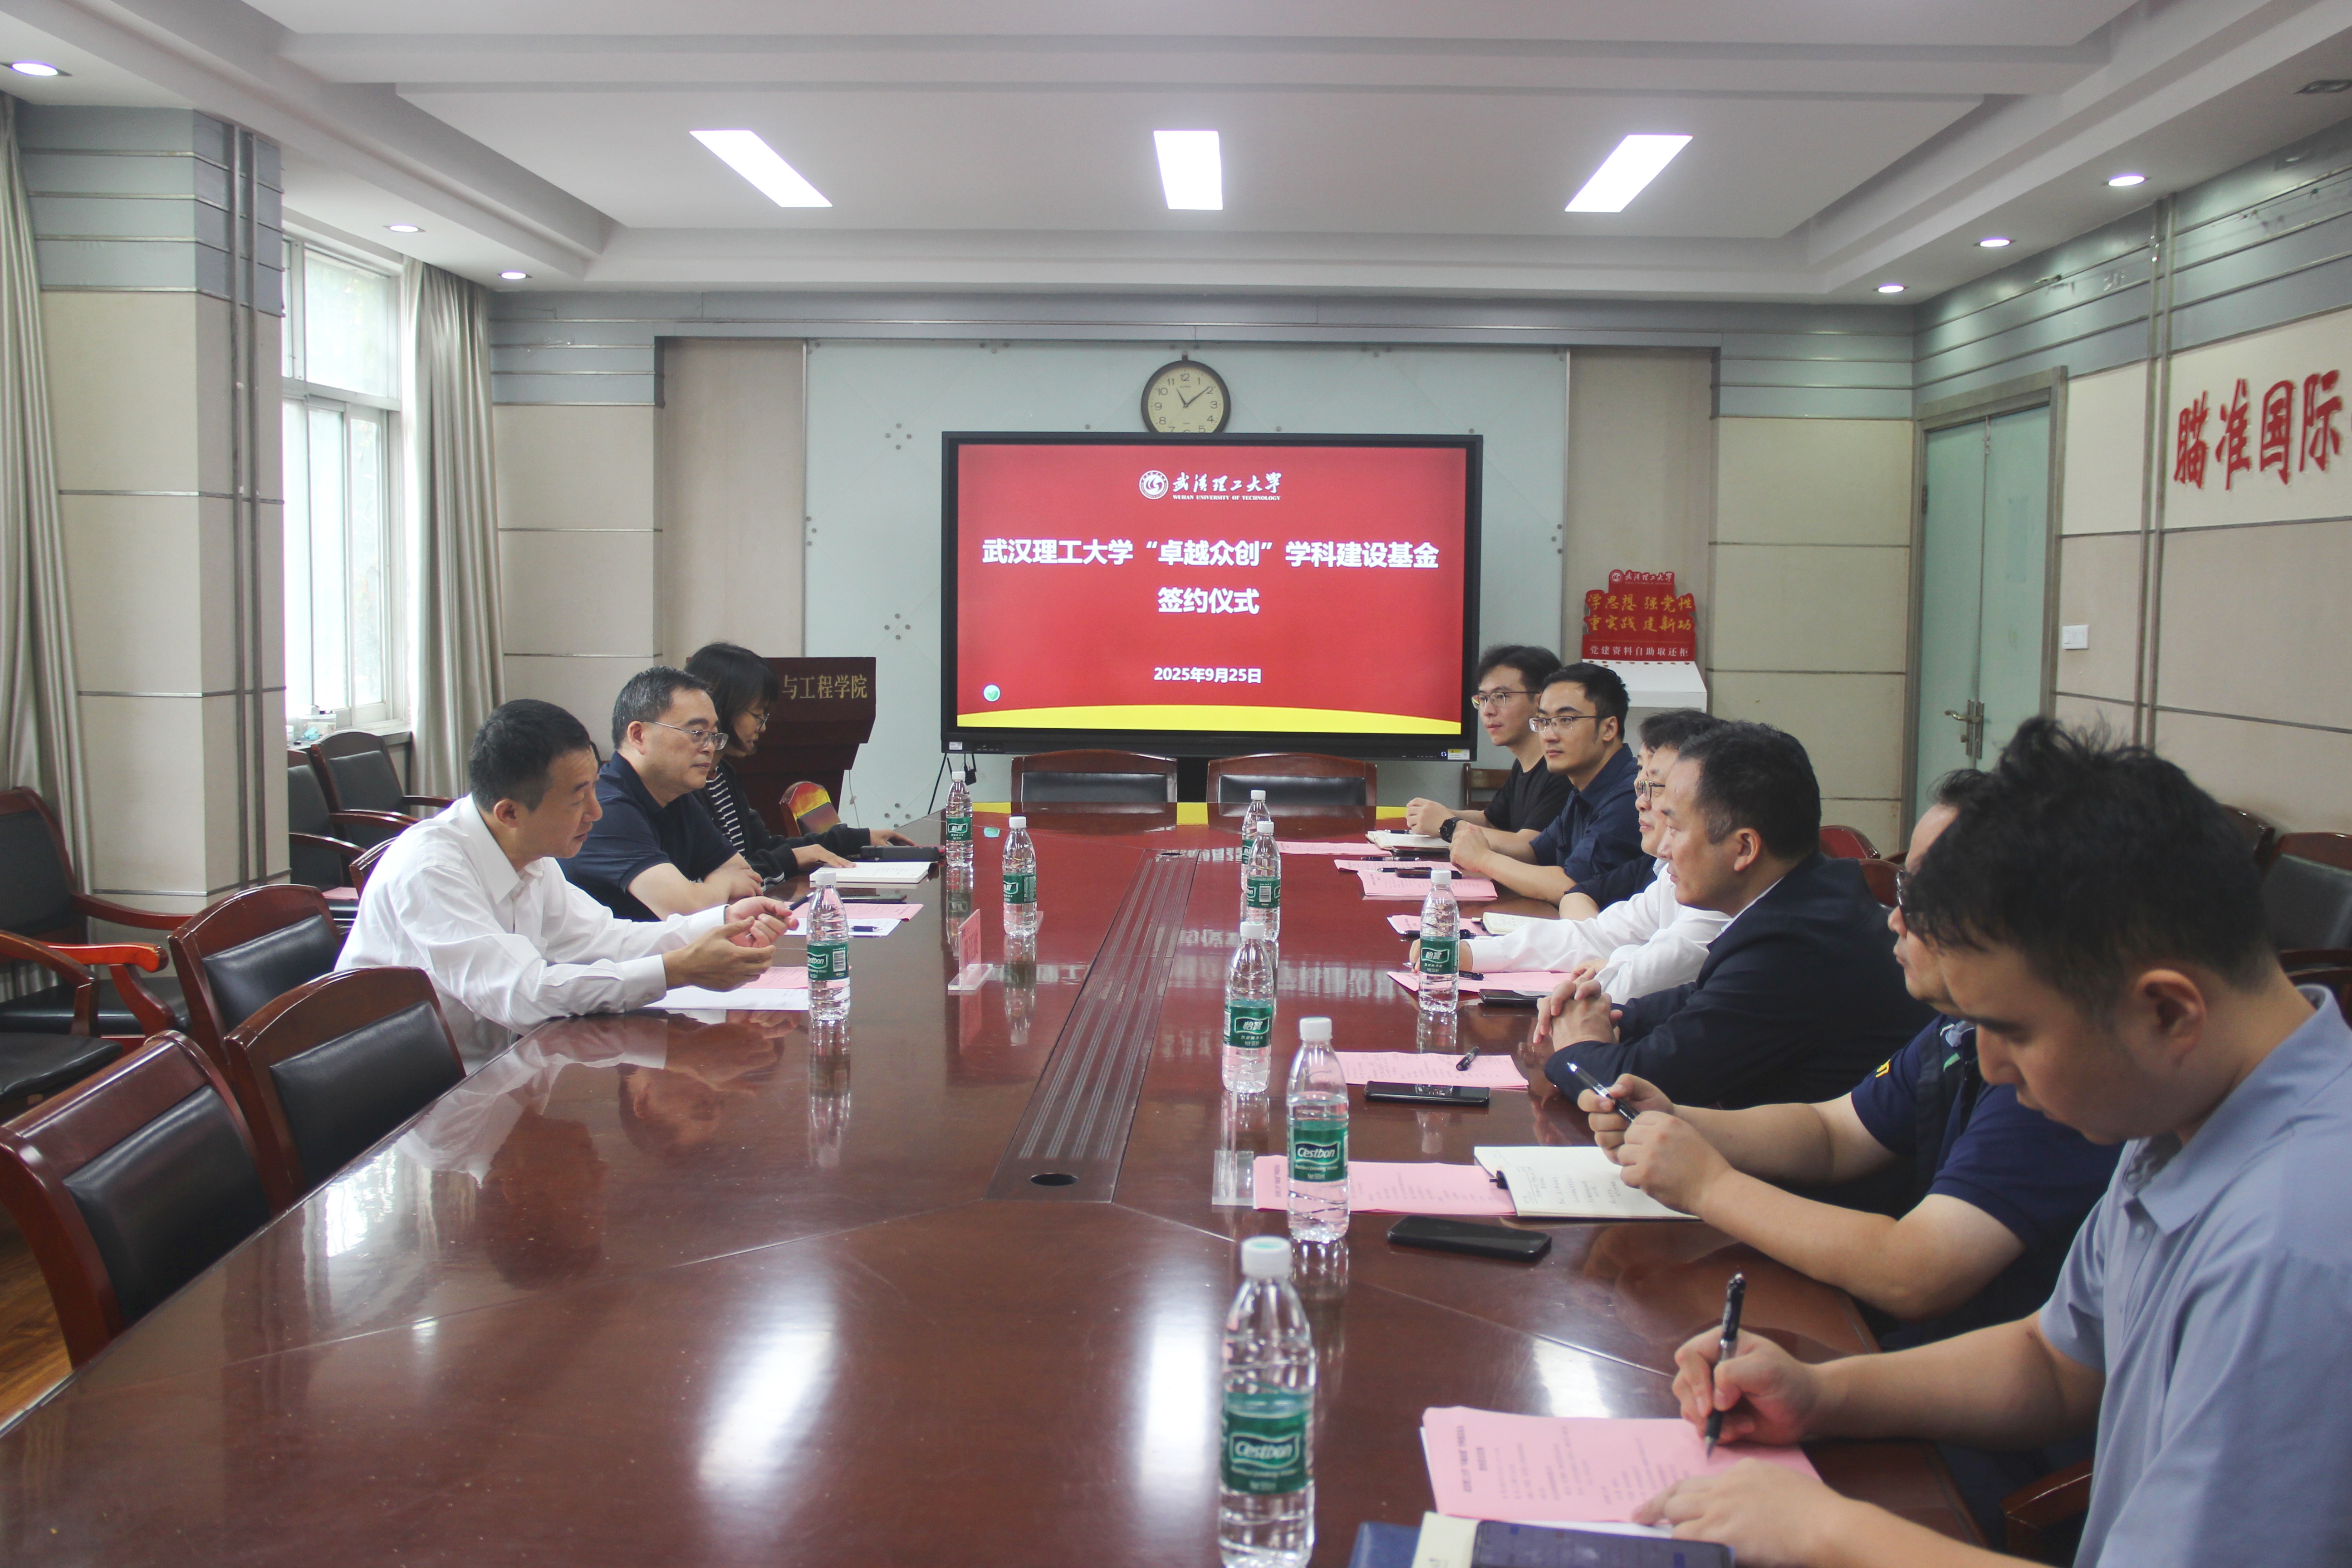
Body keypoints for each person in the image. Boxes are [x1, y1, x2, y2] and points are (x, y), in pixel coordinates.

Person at [1635, 720, 2352, 1568]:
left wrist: (1827, 1531)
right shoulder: (2182, 1111)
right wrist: (1823, 1393)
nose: (1989, 1067)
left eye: (2010, 1031)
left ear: (2166, 1011)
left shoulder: (2292, 1247)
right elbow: (2055, 1360)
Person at [338, 698, 790, 1069]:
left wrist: (718, 923)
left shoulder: (529, 853)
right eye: (578, 799)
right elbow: (523, 993)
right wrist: (677, 970)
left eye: (594, 787)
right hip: (415, 1106)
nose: (597, 812)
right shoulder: (431, 870)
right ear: (510, 813)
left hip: (503, 1071)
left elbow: (601, 939)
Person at [1535, 721, 1931, 1108]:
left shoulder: (1795, 946)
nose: (1665, 849)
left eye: (1676, 828)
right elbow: (1699, 1000)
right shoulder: (1810, 896)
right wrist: (1599, 1010)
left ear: (1744, 848)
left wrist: (1575, 1048)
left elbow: (1641, 1082)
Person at [1463, 709, 1728, 1001]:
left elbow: (1643, 979)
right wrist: (1470, 952)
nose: (1641, 802)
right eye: (1641, 781)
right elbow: (1597, 935)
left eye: (1656, 786)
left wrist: (1620, 961)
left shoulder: (1717, 888)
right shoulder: (1668, 871)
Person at [684, 642, 916, 876]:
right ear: (723, 706)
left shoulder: (723, 774)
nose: (762, 728)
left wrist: (858, 839)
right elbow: (723, 874)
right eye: (758, 714)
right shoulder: (685, 788)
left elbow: (764, 848)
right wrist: (794, 858)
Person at [565, 666, 766, 920]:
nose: (710, 748)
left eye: (714, 735)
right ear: (638, 735)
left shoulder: (676, 796)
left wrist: (708, 891)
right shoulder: (607, 810)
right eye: (697, 733)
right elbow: (685, 909)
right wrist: (723, 884)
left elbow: (746, 880)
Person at [1449, 662, 1644, 905]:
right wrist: (1476, 845)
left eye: (1566, 720)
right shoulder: (1584, 786)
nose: (1549, 736)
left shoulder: (1631, 795)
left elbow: (1572, 887)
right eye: (1543, 722)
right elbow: (1536, 852)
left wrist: (1484, 859)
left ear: (1609, 728)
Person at [1401, 644, 1573, 845]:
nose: (1488, 711)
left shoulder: (1561, 770)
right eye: (1483, 699)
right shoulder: (1524, 765)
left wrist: (1447, 825)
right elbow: (1491, 822)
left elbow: (1530, 846)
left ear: (1541, 702)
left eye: (1500, 697)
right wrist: (1438, 814)